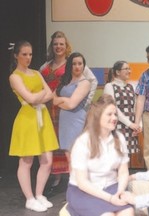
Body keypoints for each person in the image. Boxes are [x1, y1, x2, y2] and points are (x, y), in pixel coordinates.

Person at [39, 31, 98, 193]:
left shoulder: (73, 63)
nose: (58, 47)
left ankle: (77, 183)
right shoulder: (45, 66)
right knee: (55, 143)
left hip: (69, 111)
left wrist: (85, 102)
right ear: (52, 46)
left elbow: (92, 81)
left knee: (73, 147)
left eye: (61, 44)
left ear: (66, 46)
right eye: (56, 44)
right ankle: (57, 178)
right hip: (48, 110)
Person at [9, 40, 59, 212]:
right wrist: (39, 95)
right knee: (26, 162)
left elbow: (50, 94)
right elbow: (30, 99)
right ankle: (29, 198)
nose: (28, 57)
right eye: (24, 54)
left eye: (30, 54)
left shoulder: (37, 73)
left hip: (42, 118)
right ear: (16, 55)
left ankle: (39, 194)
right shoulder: (14, 76)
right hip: (28, 120)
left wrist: (36, 96)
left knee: (47, 160)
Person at [64, 94, 134, 216]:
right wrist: (110, 199)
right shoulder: (83, 142)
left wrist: (120, 192)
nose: (114, 118)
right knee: (107, 215)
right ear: (97, 116)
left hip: (111, 186)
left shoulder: (119, 138)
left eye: (115, 114)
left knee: (128, 211)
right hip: (84, 191)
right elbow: (82, 182)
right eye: (109, 114)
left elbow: (123, 172)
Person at [53, 52, 91, 166]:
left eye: (80, 63)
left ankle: (81, 183)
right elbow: (53, 99)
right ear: (70, 65)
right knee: (69, 156)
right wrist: (64, 101)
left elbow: (71, 105)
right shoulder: (65, 81)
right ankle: (75, 182)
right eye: (74, 64)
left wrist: (61, 99)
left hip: (76, 121)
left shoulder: (85, 83)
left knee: (77, 156)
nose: (77, 66)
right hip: (65, 121)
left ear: (84, 65)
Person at [103, 61, 141, 166]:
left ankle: (124, 179)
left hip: (130, 126)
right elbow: (113, 108)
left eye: (129, 68)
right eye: (126, 69)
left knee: (126, 157)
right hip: (116, 125)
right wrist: (130, 124)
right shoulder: (110, 86)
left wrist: (137, 125)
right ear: (118, 72)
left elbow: (135, 106)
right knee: (116, 154)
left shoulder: (130, 87)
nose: (129, 71)